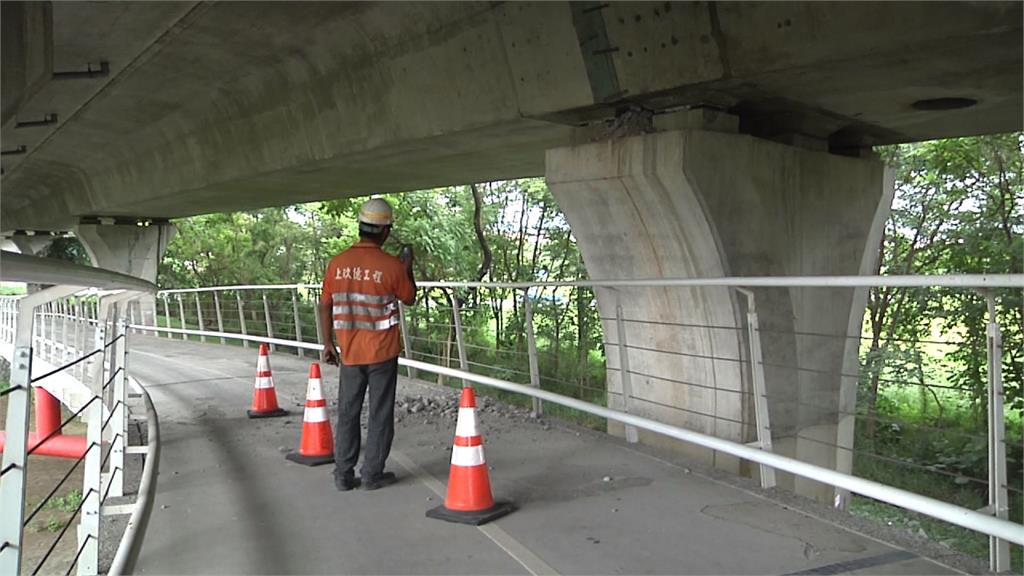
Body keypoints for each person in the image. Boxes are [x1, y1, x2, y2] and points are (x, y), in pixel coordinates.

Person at [319, 198, 416, 491]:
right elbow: (409, 298)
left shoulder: (337, 264)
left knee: (348, 412)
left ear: (360, 227)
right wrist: (407, 266)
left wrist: (327, 344)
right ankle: (372, 474)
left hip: (349, 351)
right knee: (379, 413)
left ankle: (343, 474)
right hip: (382, 352)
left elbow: (325, 305)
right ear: (385, 232)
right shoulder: (391, 266)